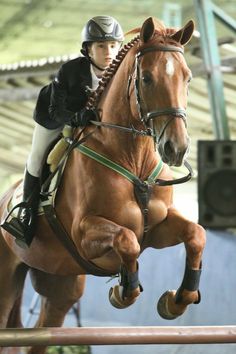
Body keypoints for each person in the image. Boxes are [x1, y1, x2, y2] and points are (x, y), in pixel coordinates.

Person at [3, 15, 124, 247]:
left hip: (94, 121)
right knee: (38, 156)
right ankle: (25, 214)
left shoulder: (122, 72)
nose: (108, 52)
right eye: (101, 46)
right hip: (54, 116)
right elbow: (57, 110)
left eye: (113, 45)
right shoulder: (70, 71)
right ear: (88, 50)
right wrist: (75, 118)